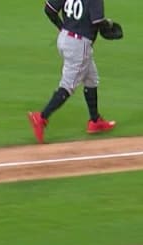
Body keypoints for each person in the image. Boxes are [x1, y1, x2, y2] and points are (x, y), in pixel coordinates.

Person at [28, 0, 119, 144]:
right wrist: (107, 25)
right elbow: (97, 22)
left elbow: (49, 9)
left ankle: (95, 121)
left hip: (64, 38)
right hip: (79, 45)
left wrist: (61, 26)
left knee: (91, 78)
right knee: (68, 85)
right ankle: (41, 117)